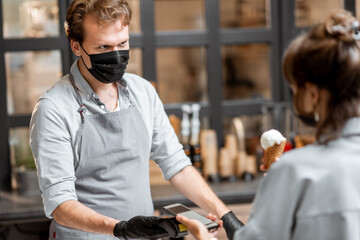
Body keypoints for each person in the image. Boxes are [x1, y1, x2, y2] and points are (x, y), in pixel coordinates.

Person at [29, 0, 242, 239]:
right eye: (103, 47)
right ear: (76, 47)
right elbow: (60, 205)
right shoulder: (54, 108)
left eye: (122, 43)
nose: (116, 55)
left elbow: (176, 165)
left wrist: (226, 215)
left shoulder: (143, 92)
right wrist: (120, 228)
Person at [176, 9, 360, 240]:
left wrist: (203, 237)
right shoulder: (293, 171)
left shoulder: (294, 172)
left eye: (295, 89)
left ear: (312, 94)